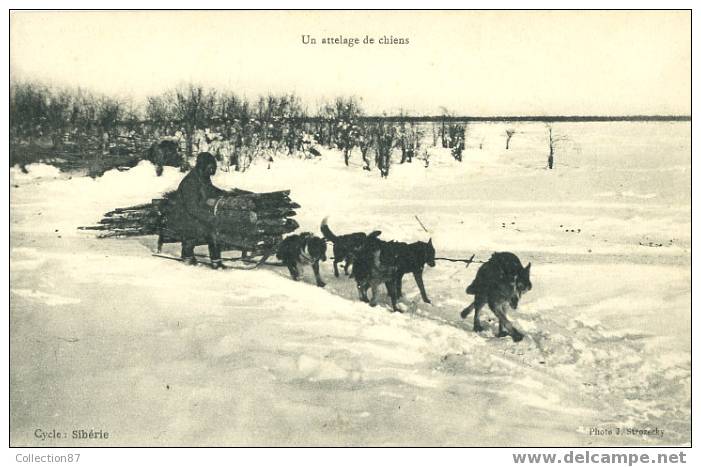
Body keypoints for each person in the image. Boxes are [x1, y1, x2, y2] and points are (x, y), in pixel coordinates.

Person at [172, 152, 226, 269]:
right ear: (203, 166)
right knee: (211, 228)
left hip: (193, 215)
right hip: (184, 217)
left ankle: (215, 259)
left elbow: (210, 190)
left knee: (213, 226)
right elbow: (192, 208)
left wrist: (224, 194)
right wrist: (209, 218)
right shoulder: (190, 182)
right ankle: (188, 255)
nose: (212, 170)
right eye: (210, 167)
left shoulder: (203, 178)